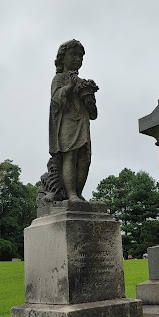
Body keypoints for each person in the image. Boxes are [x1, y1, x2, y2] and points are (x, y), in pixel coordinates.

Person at [40, 39, 98, 203]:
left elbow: (93, 114)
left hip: (82, 124)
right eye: (74, 54)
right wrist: (70, 87)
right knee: (70, 157)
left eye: (81, 56)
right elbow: (57, 100)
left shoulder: (83, 83)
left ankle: (78, 193)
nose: (78, 59)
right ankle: (71, 193)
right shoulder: (58, 79)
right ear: (62, 58)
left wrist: (90, 99)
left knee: (84, 160)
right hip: (66, 125)